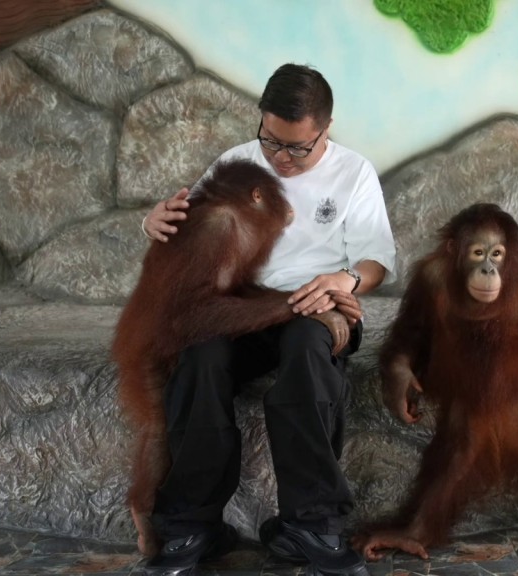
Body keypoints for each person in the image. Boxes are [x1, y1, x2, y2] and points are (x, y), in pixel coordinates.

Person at [139, 63, 395, 576]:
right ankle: (192, 524)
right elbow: (189, 230)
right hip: (238, 306)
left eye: (297, 148)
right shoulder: (237, 162)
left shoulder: (354, 172)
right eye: (271, 140)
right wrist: (152, 221)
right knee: (199, 359)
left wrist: (346, 281)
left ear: (325, 127)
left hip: (315, 306)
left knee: (306, 355)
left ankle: (311, 524)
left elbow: (376, 260)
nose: (280, 158)